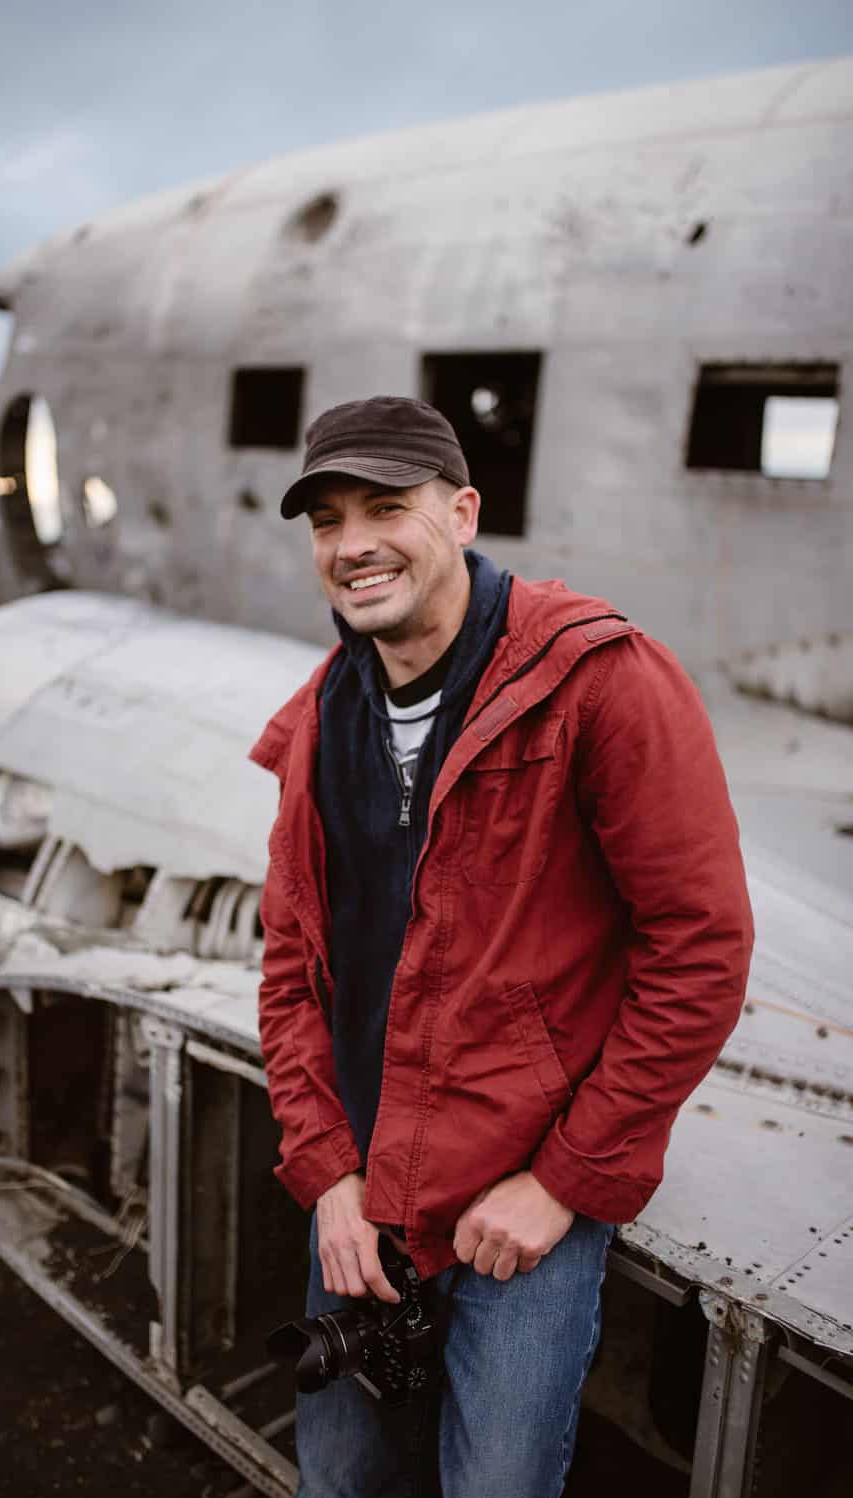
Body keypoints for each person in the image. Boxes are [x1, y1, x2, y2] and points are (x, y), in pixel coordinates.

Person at [250, 396, 754, 1497]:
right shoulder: (321, 715)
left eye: (387, 507)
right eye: (327, 520)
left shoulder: (601, 681)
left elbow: (701, 946)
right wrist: (327, 1169)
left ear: (463, 512)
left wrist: (563, 1182)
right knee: (339, 1478)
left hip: (521, 1201)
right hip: (361, 1186)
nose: (353, 545)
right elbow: (291, 965)